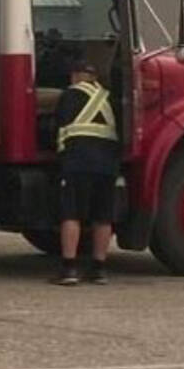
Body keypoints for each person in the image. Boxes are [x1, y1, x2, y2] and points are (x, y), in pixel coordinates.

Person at [51, 61, 120, 285]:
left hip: (77, 162)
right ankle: (99, 269)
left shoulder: (69, 96)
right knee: (103, 216)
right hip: (107, 164)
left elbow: (58, 126)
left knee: (71, 214)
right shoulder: (109, 98)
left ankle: (69, 269)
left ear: (76, 76)